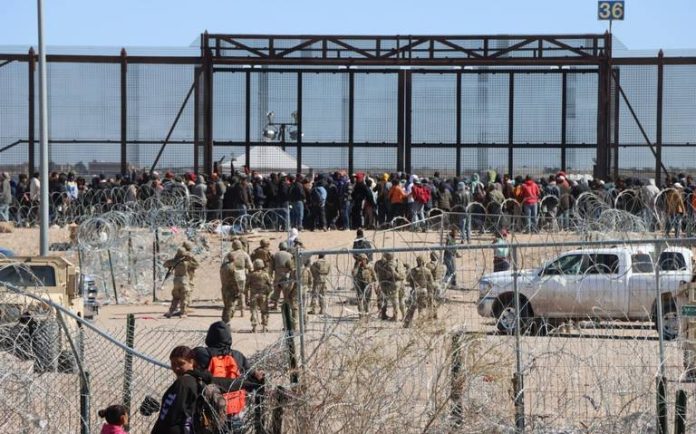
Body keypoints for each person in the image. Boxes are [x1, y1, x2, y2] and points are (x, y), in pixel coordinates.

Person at [200, 321, 265, 433]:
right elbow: (251, 374)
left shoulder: (202, 354)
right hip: (235, 406)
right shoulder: (237, 355)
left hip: (212, 405)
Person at [150, 346, 200, 434]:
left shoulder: (183, 383)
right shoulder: (198, 379)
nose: (176, 368)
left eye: (181, 363)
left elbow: (171, 416)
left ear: (191, 362)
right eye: (173, 364)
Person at [220, 240, 253, 322]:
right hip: (240, 275)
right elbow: (250, 266)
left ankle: (228, 310)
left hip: (228, 277)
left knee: (228, 294)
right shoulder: (244, 254)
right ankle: (242, 310)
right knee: (241, 293)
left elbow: (223, 266)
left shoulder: (228, 255)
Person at [163, 247, 199, 318]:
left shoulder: (174, 262)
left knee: (175, 297)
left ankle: (171, 312)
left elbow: (165, 264)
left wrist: (174, 259)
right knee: (184, 297)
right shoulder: (186, 262)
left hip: (176, 281)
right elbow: (196, 265)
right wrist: (191, 258)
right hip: (184, 281)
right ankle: (183, 313)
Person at [403, 255, 436, 328]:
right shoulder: (427, 271)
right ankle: (420, 324)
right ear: (424, 262)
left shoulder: (413, 271)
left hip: (415, 290)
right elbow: (431, 283)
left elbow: (407, 279)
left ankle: (407, 323)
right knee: (421, 309)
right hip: (424, 290)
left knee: (411, 308)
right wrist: (430, 292)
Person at [373, 252, 402, 321]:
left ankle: (383, 314)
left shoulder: (378, 263)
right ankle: (394, 316)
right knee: (394, 299)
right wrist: (400, 277)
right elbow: (394, 274)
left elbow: (376, 271)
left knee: (383, 299)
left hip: (382, 282)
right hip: (390, 283)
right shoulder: (391, 263)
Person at [248, 259, 272, 332]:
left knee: (254, 311)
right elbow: (270, 284)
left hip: (253, 295)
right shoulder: (265, 274)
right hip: (263, 295)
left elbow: (246, 285)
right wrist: (269, 294)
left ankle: (254, 328)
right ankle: (264, 328)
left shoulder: (251, 275)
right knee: (264, 311)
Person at [269, 241, 294, 310]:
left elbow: (271, 267)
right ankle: (286, 306)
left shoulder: (275, 255)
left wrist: (270, 275)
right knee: (286, 292)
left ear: (279, 247)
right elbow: (292, 266)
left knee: (276, 291)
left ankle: (275, 305)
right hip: (286, 275)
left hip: (277, 275)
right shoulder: (290, 255)